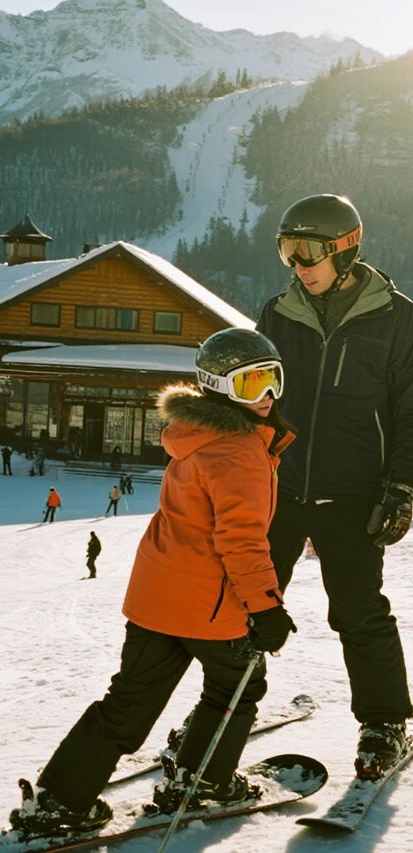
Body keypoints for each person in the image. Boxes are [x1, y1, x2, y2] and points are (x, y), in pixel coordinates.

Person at [8, 328, 296, 837]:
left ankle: (60, 801)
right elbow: (242, 540)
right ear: (219, 387)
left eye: (273, 380)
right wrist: (267, 608)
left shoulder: (193, 438)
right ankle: (202, 782)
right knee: (237, 686)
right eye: (252, 384)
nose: (268, 396)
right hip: (209, 608)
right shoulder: (240, 452)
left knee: (129, 702)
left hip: (155, 599)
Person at [257, 193, 413, 779]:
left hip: (352, 494)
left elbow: (411, 412)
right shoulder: (278, 314)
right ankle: (227, 705)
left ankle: (385, 723)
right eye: (286, 250)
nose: (297, 265)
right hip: (281, 489)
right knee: (247, 603)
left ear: (345, 249)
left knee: (358, 611)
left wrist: (402, 487)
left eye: (308, 251)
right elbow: (256, 405)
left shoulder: (399, 319)